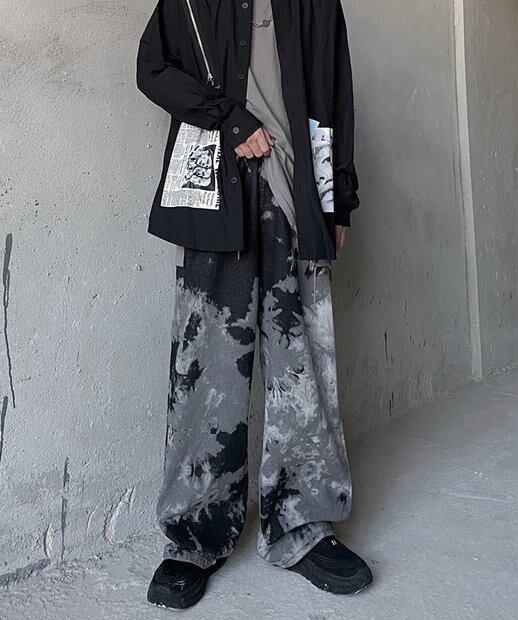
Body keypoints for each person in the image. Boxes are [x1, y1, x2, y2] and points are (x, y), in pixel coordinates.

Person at [136, 0, 372, 608]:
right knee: (207, 368)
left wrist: (339, 197)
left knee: (302, 371)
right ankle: (194, 535)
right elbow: (152, 68)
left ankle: (303, 526)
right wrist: (230, 120)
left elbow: (335, 94)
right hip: (216, 193)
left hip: (297, 196)